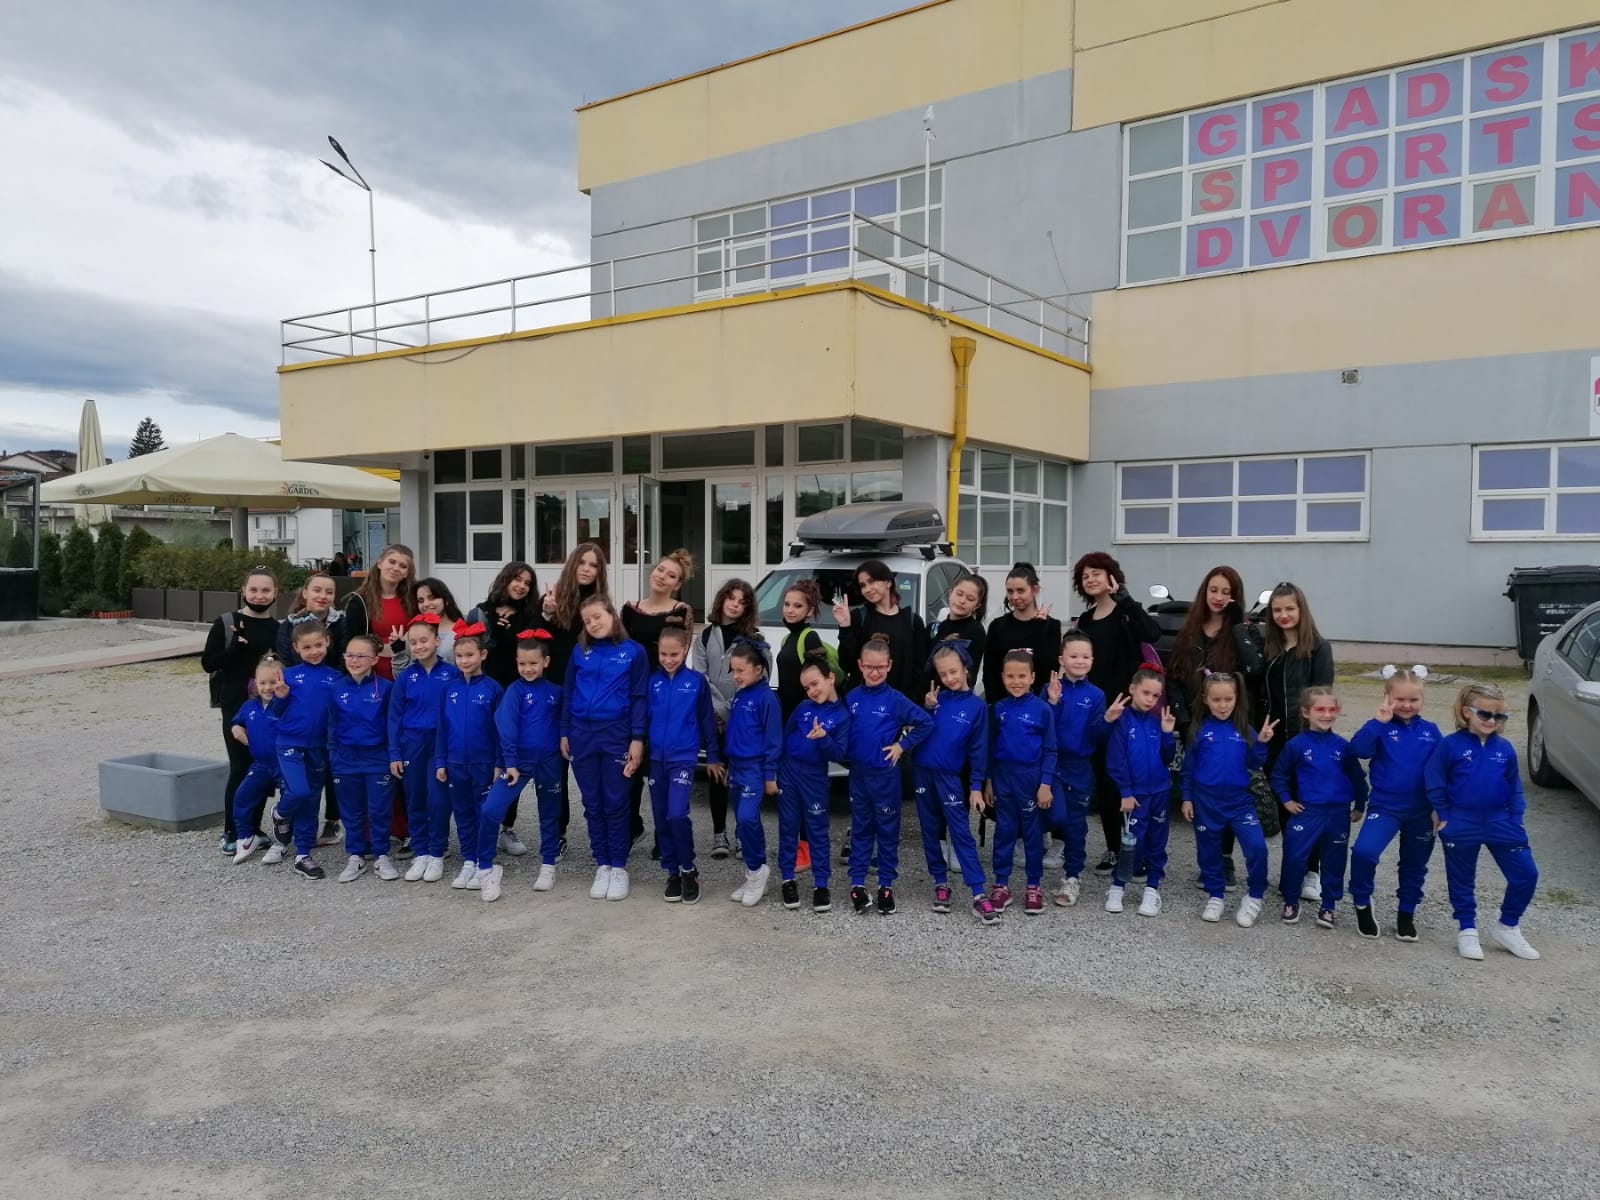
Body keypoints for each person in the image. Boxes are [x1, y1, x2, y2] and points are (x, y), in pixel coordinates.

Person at [1426, 683, 1541, 962]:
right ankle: (1467, 929)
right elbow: (1434, 780)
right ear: (1467, 712)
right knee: (1462, 879)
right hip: (1461, 821)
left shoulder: (1505, 749)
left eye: (1499, 716)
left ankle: (1508, 926)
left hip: (1500, 821)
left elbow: (1514, 785)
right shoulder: (1450, 745)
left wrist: (1516, 818)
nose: (1491, 721)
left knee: (1526, 874)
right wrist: (1444, 814)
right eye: (1485, 714)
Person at [1242, 581, 1336, 904]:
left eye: (1289, 609)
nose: (1283, 615)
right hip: (1274, 741)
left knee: (1309, 805)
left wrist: (1314, 734)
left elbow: (1322, 696)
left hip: (1306, 741)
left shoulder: (1318, 648)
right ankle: (1293, 867)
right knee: (1284, 803)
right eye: (1277, 610)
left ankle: (1312, 872)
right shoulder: (1268, 648)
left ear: (1301, 609)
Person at [1071, 551, 1163, 875]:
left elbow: (1151, 633)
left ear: (1111, 576)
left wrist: (1123, 597)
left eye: (1096, 573)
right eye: (1085, 576)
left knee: (1132, 780)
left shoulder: (1126, 613)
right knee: (1107, 781)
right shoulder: (1084, 621)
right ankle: (1115, 848)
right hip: (1097, 712)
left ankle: (1139, 851)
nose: (1090, 579)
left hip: (1128, 710)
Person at [1167, 566, 1255, 886]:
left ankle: (1225, 858)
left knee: (1228, 788)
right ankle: (1209, 861)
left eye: (1226, 592)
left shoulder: (1241, 632)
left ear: (1235, 597)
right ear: (1205, 592)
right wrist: (1183, 719)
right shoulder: (1190, 631)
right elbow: (1174, 678)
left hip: (1229, 724)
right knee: (1202, 789)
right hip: (1196, 723)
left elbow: (1253, 667)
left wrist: (1238, 626)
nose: (1219, 597)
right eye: (1214, 590)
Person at [560, 594, 648, 902]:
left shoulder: (634, 652)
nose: (593, 623)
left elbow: (639, 697)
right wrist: (564, 731)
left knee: (616, 802)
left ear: (612, 614)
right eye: (587, 620)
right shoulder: (580, 651)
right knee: (592, 803)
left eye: (598, 616)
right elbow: (569, 693)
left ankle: (619, 866)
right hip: (582, 734)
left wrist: (637, 738)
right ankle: (603, 864)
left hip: (616, 735)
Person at [1348, 666, 1443, 942]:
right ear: (1387, 696)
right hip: (1386, 807)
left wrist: (1439, 806)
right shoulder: (1380, 728)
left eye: (1413, 699)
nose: (1406, 705)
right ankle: (1362, 903)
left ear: (1422, 699)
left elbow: (1442, 772)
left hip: (1421, 811)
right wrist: (1377, 722)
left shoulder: (1431, 732)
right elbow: (1358, 750)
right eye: (1400, 699)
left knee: (1414, 864)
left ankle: (1406, 914)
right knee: (1364, 853)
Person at [843, 634, 933, 915]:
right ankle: (857, 884)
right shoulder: (852, 698)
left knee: (887, 831)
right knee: (860, 830)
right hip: (858, 776)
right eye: (869, 667)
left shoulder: (896, 700)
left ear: (890, 666)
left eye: (880, 667)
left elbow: (925, 723)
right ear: (860, 665)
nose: (874, 672)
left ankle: (885, 885)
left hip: (886, 778)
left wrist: (901, 746)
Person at [1179, 673, 1277, 927]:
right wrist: (1187, 798)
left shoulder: (1245, 730)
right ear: (1205, 699)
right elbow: (1188, 769)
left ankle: (1254, 896)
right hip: (1206, 803)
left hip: (1239, 803)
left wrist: (1261, 743)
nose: (1222, 705)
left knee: (1257, 848)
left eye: (1228, 699)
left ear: (1237, 699)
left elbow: (1254, 762)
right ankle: (1215, 895)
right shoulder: (1199, 730)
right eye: (1216, 700)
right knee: (1208, 852)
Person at [476, 630, 565, 902]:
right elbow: (506, 727)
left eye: (533, 663)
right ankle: (485, 868)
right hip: (517, 764)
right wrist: (508, 762)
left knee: (549, 814)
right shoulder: (514, 691)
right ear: (516, 663)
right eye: (522, 663)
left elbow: (565, 724)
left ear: (545, 662)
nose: (528, 669)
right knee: (491, 809)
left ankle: (548, 864)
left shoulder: (556, 692)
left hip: (549, 762)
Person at [1271, 686, 1368, 928]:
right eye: (1320, 709)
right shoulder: (1296, 745)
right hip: (1307, 813)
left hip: (1337, 814)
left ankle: (1328, 906)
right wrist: (1286, 800)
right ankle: (1291, 901)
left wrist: (1360, 804)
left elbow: (1358, 777)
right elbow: (1279, 775)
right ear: (1306, 712)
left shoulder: (1343, 746)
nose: (1326, 715)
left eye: (1331, 709)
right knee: (1295, 857)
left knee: (1334, 861)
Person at [201, 565, 282, 855]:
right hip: (236, 704)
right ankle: (232, 831)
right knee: (239, 767)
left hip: (267, 707)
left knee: (261, 767)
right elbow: (208, 663)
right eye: (254, 589)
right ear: (243, 591)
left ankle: (253, 829)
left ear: (275, 593)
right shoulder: (227, 623)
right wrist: (234, 649)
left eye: (266, 590)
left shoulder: (278, 629)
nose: (259, 595)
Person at [915, 643, 997, 924]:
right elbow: (920, 731)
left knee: (961, 832)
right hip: (922, 773)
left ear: (965, 669)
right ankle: (940, 883)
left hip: (949, 778)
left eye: (953, 671)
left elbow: (978, 750)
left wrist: (976, 786)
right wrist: (927, 709)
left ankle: (978, 893)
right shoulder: (935, 699)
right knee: (930, 831)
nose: (949, 678)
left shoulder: (977, 707)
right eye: (943, 674)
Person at [536, 540, 609, 856]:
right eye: (583, 562)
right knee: (556, 766)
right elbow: (535, 643)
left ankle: (606, 832)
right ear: (572, 564)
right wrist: (546, 614)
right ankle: (557, 830)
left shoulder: (601, 605)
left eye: (594, 565)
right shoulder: (552, 598)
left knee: (594, 766)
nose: (587, 569)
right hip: (553, 693)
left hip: (587, 696)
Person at [622, 550, 695, 854]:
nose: (663, 577)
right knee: (630, 764)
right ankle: (631, 825)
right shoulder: (629, 609)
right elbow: (621, 650)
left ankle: (663, 835)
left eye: (671, 575)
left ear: (677, 584)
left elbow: (679, 654)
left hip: (663, 694)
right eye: (661, 570)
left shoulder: (681, 611)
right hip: (631, 693)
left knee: (660, 766)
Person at [468, 561, 541, 857]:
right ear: (505, 580)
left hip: (516, 698)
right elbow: (471, 650)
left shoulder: (531, 617)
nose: (521, 586)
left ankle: (506, 827)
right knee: (483, 760)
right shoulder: (481, 612)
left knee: (511, 760)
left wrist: (514, 632)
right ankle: (479, 824)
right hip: (484, 695)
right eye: (516, 579)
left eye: (527, 582)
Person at [1045, 630, 1120, 907]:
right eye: (1074, 656)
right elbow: (1043, 727)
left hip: (1080, 768)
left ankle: (1072, 877)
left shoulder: (1096, 695)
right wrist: (1052, 702)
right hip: (1052, 765)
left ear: (1092, 660)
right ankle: (1034, 866)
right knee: (1054, 815)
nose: (1080, 661)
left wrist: (1108, 720)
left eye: (1085, 656)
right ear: (1061, 659)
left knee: (1076, 824)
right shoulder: (1051, 688)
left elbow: (1097, 736)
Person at [647, 625, 722, 906]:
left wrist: (712, 755)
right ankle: (672, 873)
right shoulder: (652, 682)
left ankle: (688, 869)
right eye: (663, 654)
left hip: (683, 758)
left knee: (677, 813)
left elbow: (706, 719)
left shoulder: (696, 682)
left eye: (674, 654)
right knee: (661, 816)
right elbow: (642, 718)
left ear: (685, 650)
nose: (668, 660)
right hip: (656, 759)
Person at [266, 620, 342, 879]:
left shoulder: (335, 678)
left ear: (327, 642)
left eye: (318, 645)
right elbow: (275, 712)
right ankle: (280, 813)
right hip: (290, 744)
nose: (314, 651)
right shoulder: (287, 675)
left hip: (319, 748)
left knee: (311, 800)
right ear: (296, 648)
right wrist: (281, 696)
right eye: (307, 647)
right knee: (298, 791)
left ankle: (303, 854)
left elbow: (338, 716)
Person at [985, 649, 1058, 916]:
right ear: (1003, 677)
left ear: (1032, 677)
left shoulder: (1042, 710)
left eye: (1022, 676)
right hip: (1003, 777)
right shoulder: (998, 709)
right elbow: (990, 749)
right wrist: (989, 780)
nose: (1016, 682)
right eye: (1011, 676)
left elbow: (1050, 750)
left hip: (1031, 779)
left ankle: (1033, 885)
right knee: (1004, 832)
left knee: (1032, 834)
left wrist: (1045, 783)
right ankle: (1001, 885)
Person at [389, 614, 458, 884]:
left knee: (438, 800)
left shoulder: (451, 673)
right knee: (415, 798)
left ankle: (437, 851)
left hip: (441, 746)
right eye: (413, 642)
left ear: (437, 641)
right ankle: (421, 851)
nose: (419, 646)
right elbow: (394, 717)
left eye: (424, 640)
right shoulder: (406, 677)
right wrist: (395, 753)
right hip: (412, 744)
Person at [434, 622, 503, 891]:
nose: (464, 661)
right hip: (455, 763)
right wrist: (441, 761)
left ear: (482, 655)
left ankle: (484, 863)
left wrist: (499, 762)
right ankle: (469, 860)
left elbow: (501, 731)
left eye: (470, 655)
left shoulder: (493, 689)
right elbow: (442, 728)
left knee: (483, 812)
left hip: (484, 763)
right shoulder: (449, 689)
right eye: (460, 656)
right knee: (462, 813)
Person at [1103, 664, 1176, 917]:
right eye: (1146, 693)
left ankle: (1152, 888)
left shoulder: (1157, 722)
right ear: (1133, 689)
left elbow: (1167, 758)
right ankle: (1118, 886)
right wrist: (1125, 792)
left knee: (1157, 841)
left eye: (1156, 696)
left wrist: (1167, 735)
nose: (1150, 700)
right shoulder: (1122, 721)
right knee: (1132, 842)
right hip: (1135, 796)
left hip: (1160, 792)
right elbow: (1116, 759)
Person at [693, 578, 758, 859]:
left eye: (742, 602)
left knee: (742, 778)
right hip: (714, 721)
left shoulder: (754, 639)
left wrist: (733, 712)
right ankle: (719, 833)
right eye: (732, 598)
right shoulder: (706, 636)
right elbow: (700, 677)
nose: (735, 605)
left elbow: (756, 679)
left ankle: (744, 833)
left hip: (742, 721)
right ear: (722, 599)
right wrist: (719, 712)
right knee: (717, 775)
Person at [778, 660, 850, 913]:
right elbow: (786, 735)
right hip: (789, 772)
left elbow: (840, 753)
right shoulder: (803, 707)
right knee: (788, 826)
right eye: (807, 688)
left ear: (830, 678)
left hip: (815, 777)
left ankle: (821, 885)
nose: (811, 691)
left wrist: (824, 738)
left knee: (817, 830)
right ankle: (788, 880)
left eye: (815, 684)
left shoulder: (842, 715)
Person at [329, 634, 397, 883]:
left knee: (379, 810)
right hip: (345, 760)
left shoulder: (386, 688)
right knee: (351, 811)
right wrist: (333, 756)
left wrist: (392, 756)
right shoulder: (336, 688)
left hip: (377, 759)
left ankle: (381, 855)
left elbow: (392, 725)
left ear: (375, 659)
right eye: (350, 655)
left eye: (361, 656)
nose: (354, 660)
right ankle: (356, 855)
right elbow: (331, 725)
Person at [722, 638, 783, 908]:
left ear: (758, 669)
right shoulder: (740, 695)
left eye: (741, 670)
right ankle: (754, 872)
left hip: (754, 770)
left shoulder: (767, 698)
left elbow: (773, 740)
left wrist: (769, 775)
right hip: (736, 768)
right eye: (733, 670)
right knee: (742, 822)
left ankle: (758, 869)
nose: (735, 676)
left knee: (748, 819)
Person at [227, 656, 284, 865]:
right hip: (260, 765)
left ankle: (284, 840)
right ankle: (247, 836)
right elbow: (237, 721)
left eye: (273, 682)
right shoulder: (249, 706)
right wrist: (236, 727)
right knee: (242, 797)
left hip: (285, 765)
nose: (267, 687)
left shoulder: (285, 705)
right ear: (255, 683)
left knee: (291, 801)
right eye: (262, 683)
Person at [983, 563, 1061, 701]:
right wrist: (994, 705)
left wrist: (1040, 627)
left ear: (1035, 590)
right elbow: (990, 672)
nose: (1014, 597)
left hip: (1038, 705)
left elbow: (1049, 670)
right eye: (1010, 591)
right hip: (1004, 705)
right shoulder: (997, 626)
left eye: (1021, 591)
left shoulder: (1051, 626)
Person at [341, 543, 417, 681]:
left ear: (407, 573)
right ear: (380, 563)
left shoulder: (414, 599)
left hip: (408, 672)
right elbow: (352, 644)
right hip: (372, 676)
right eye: (392, 562)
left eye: (403, 566)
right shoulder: (359, 601)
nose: (396, 568)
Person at [927, 571, 988, 687]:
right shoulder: (936, 627)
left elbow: (971, 675)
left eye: (970, 599)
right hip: (932, 694)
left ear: (977, 605)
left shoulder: (976, 631)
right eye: (959, 594)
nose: (962, 601)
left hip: (958, 694)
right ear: (950, 593)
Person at [275, 572, 348, 666]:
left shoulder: (342, 623)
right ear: (305, 593)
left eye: (329, 592)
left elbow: (344, 658)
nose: (323, 596)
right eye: (317, 590)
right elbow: (284, 661)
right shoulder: (288, 625)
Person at [413, 577, 466, 662]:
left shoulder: (463, 631)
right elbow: (406, 668)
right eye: (421, 600)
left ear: (446, 600)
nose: (426, 604)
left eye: (432, 598)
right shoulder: (413, 631)